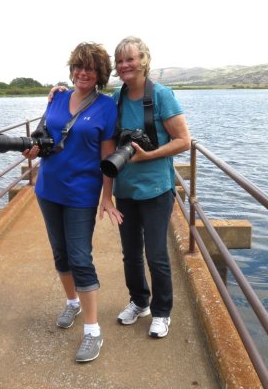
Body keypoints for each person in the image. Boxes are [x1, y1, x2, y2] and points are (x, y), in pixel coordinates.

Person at [23, 42, 122, 363]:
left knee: (80, 256)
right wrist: (33, 149)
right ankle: (72, 302)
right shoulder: (57, 96)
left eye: (90, 69)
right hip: (47, 188)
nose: (83, 73)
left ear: (100, 74)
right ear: (72, 68)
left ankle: (93, 331)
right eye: (79, 66)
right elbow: (44, 136)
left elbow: (107, 156)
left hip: (81, 192)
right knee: (60, 253)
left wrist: (106, 196)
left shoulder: (106, 107)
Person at [111, 36, 191, 338]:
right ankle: (139, 301)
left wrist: (149, 155)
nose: (124, 65)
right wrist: (59, 92)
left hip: (156, 189)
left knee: (156, 254)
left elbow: (183, 141)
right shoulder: (116, 98)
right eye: (120, 61)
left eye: (130, 59)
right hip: (126, 190)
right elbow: (82, 100)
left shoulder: (161, 95)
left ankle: (161, 312)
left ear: (144, 60)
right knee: (130, 253)